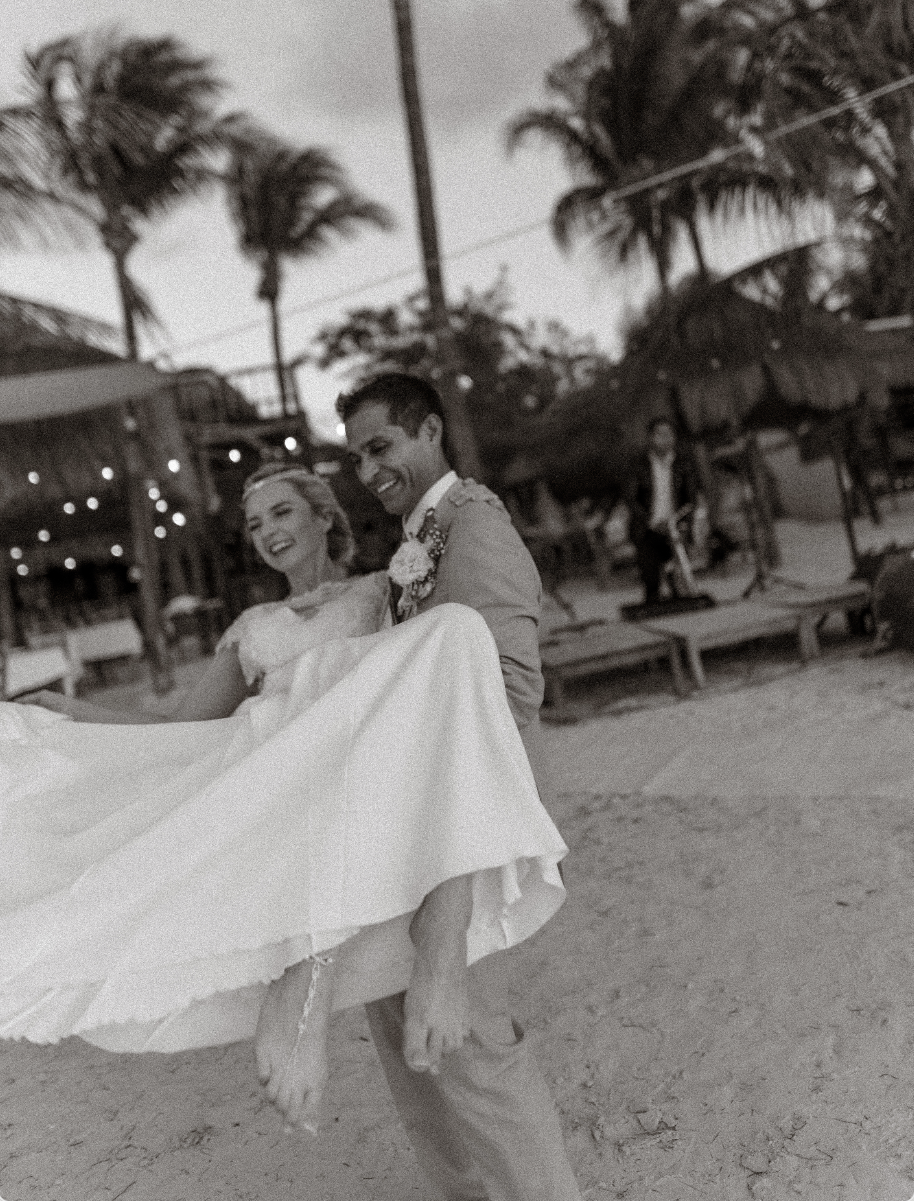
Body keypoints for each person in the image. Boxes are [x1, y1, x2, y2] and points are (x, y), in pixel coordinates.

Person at [1, 464, 567, 1138]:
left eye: (281, 513)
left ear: (324, 517)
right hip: (280, 779)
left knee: (400, 661)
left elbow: (428, 698)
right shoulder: (253, 626)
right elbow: (182, 730)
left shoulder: (381, 592)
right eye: (254, 524)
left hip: (364, 776)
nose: (267, 531)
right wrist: (72, 713)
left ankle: (319, 973)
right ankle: (312, 972)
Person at [341, 372, 584, 1201]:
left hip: (469, 827)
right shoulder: (420, 535)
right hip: (414, 824)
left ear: (430, 432)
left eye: (381, 446)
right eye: (356, 457)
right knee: (420, 1051)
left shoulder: (473, 526)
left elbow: (510, 694)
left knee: (475, 1048)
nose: (368, 470)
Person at [626, 416, 699, 604]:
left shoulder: (683, 464)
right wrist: (650, 521)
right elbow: (631, 499)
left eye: (669, 434)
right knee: (651, 580)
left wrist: (684, 523)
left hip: (675, 528)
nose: (665, 439)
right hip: (647, 529)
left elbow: (691, 498)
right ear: (651, 437)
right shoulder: (638, 465)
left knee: (679, 582)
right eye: (660, 434)